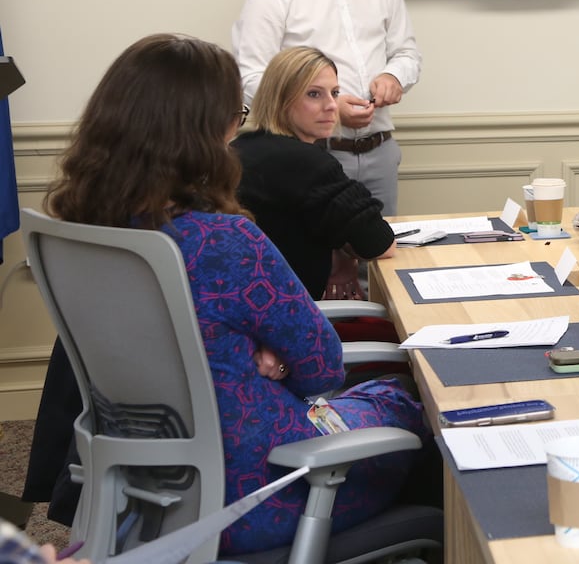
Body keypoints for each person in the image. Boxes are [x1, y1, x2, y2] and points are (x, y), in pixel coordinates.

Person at [43, 33, 430, 555]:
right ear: (207, 130)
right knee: (415, 411)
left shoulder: (79, 231)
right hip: (257, 489)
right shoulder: (223, 241)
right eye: (235, 112)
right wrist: (264, 357)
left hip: (135, 492)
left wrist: (242, 349)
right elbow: (322, 369)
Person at [233, 0, 421, 215]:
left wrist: (394, 76)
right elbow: (253, 79)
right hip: (310, 156)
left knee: (382, 260)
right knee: (321, 268)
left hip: (381, 151)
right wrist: (331, 111)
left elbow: (407, 53)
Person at [233, 46, 396, 300]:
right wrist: (345, 251)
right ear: (280, 100)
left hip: (242, 311)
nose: (332, 106)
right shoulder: (308, 163)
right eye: (314, 94)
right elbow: (380, 243)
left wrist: (338, 251)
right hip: (290, 319)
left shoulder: (241, 147)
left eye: (335, 93)